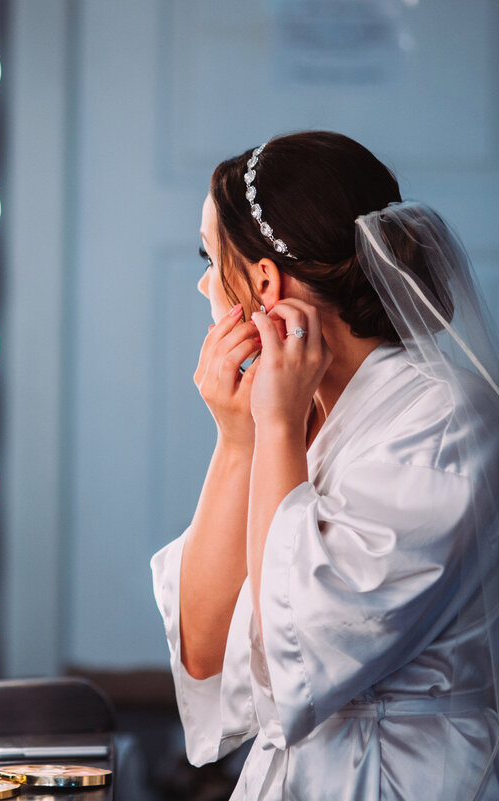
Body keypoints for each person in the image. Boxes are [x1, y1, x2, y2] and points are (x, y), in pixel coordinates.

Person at [150, 130, 499, 800]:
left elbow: (297, 659)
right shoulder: (294, 416)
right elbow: (203, 656)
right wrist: (239, 438)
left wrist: (276, 427)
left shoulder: (447, 418)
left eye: (208, 255)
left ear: (263, 280)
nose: (202, 281)